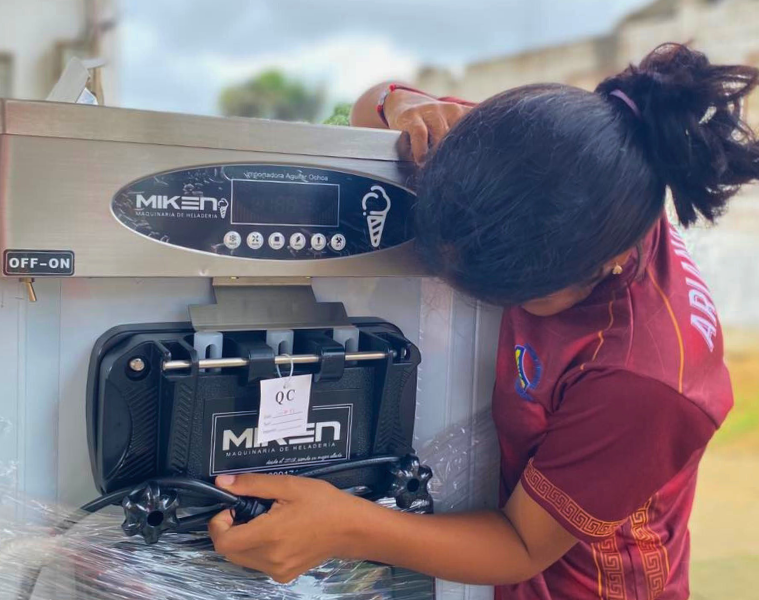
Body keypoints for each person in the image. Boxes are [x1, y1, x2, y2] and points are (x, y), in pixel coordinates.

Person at [208, 43, 758, 599]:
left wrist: (343, 527)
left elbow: (522, 544)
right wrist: (402, 105)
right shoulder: (534, 155)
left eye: (515, 295)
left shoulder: (644, 376)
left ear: (602, 266)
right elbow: (371, 105)